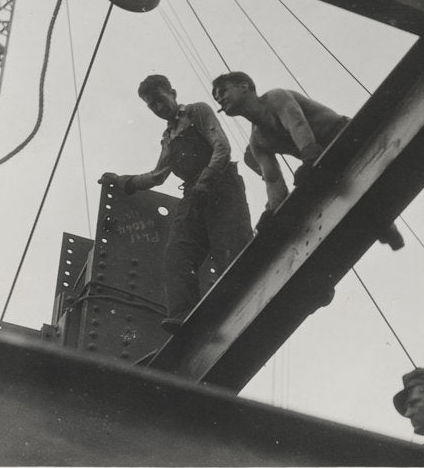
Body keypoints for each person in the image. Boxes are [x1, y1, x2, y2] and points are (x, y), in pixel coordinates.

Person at [99, 74, 252, 334]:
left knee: (230, 248)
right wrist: (122, 181)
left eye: (160, 100)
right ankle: (184, 316)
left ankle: (244, 305)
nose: (159, 108)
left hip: (221, 186)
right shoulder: (168, 136)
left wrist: (206, 178)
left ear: (172, 92)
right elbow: (157, 176)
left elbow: (222, 148)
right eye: (152, 106)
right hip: (194, 194)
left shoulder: (197, 112)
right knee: (178, 254)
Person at [210, 71, 404, 249]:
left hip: (343, 135)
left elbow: (297, 123)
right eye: (217, 97)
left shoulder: (275, 98)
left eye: (223, 91)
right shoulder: (257, 140)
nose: (220, 98)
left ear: (244, 87)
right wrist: (274, 212)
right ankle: (384, 226)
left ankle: (385, 225)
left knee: (349, 183)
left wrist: (310, 156)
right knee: (343, 192)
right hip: (323, 160)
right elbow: (273, 179)